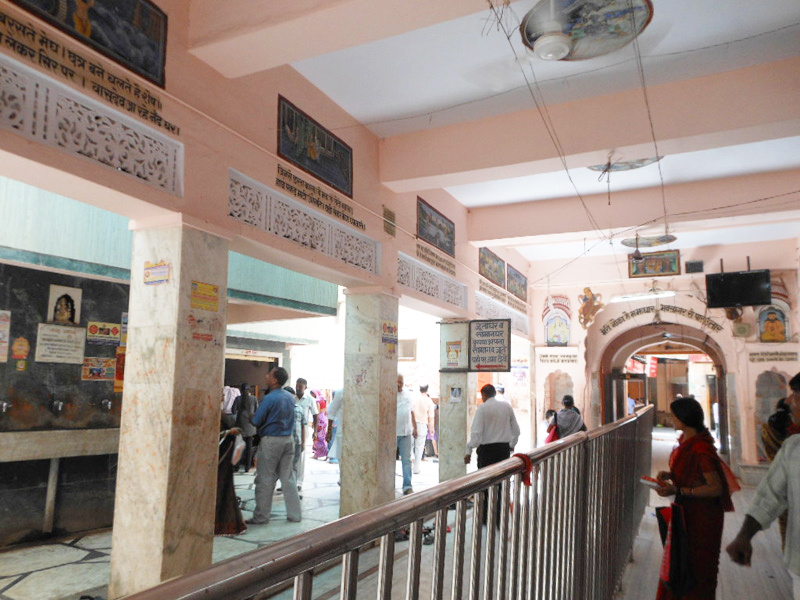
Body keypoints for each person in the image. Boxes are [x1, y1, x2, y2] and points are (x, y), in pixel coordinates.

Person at [654, 397, 738, 600]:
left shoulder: (700, 449)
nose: (672, 420)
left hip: (701, 517)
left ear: (684, 418)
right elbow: (693, 475)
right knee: (684, 564)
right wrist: (671, 475)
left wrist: (679, 490)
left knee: (698, 568)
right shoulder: (690, 442)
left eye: (674, 416)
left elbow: (715, 487)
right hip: (689, 512)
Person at [726, 433, 800, 598]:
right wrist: (744, 537)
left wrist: (743, 536)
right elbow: (769, 497)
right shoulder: (794, 447)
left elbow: (769, 497)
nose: (791, 405)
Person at [247, 367, 302, 525]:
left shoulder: (270, 398)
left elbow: (256, 421)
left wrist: (250, 415)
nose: (266, 376)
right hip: (288, 439)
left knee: (265, 478)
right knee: (288, 478)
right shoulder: (290, 398)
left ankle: (261, 517)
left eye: (269, 375)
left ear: (275, 380)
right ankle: (295, 515)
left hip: (271, 440)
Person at [464, 384, 520, 524]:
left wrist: (468, 450)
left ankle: (486, 517)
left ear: (483, 395)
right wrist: (511, 446)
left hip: (486, 452)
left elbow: (476, 434)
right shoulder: (506, 407)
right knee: (502, 484)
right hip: (503, 451)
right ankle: (499, 517)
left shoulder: (482, 409)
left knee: (485, 484)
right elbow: (516, 431)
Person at [293, 378, 318, 490]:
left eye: (300, 386)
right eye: (297, 385)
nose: (298, 388)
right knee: (289, 458)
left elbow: (315, 415)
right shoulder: (291, 397)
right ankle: (289, 482)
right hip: (290, 431)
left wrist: (316, 431)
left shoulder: (310, 399)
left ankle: (298, 482)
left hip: (302, 431)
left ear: (305, 387)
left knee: (300, 458)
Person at [397, 374, 417, 495]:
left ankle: (407, 486)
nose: (399, 384)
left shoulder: (408, 394)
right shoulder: (388, 394)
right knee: (388, 462)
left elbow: (411, 411)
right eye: (397, 382)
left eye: (401, 381)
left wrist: (415, 427)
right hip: (392, 433)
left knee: (407, 460)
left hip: (406, 433)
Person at [412, 384, 435, 474]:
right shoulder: (429, 401)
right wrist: (431, 429)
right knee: (419, 447)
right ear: (427, 390)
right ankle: (416, 468)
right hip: (422, 424)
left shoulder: (415, 398)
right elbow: (431, 418)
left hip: (411, 423)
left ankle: (408, 467)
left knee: (410, 446)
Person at [234, 383, 257, 472]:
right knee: (249, 448)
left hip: (240, 426)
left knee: (239, 447)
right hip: (250, 427)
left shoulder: (238, 399)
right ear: (249, 390)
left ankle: (237, 467)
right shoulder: (254, 399)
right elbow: (256, 410)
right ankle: (247, 467)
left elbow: (233, 410)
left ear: (241, 390)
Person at [312, 391, 329, 459]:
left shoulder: (318, 402)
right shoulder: (323, 400)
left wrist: (315, 423)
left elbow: (317, 412)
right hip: (324, 419)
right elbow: (326, 411)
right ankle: (323, 453)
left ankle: (320, 454)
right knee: (322, 437)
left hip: (319, 421)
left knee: (319, 438)